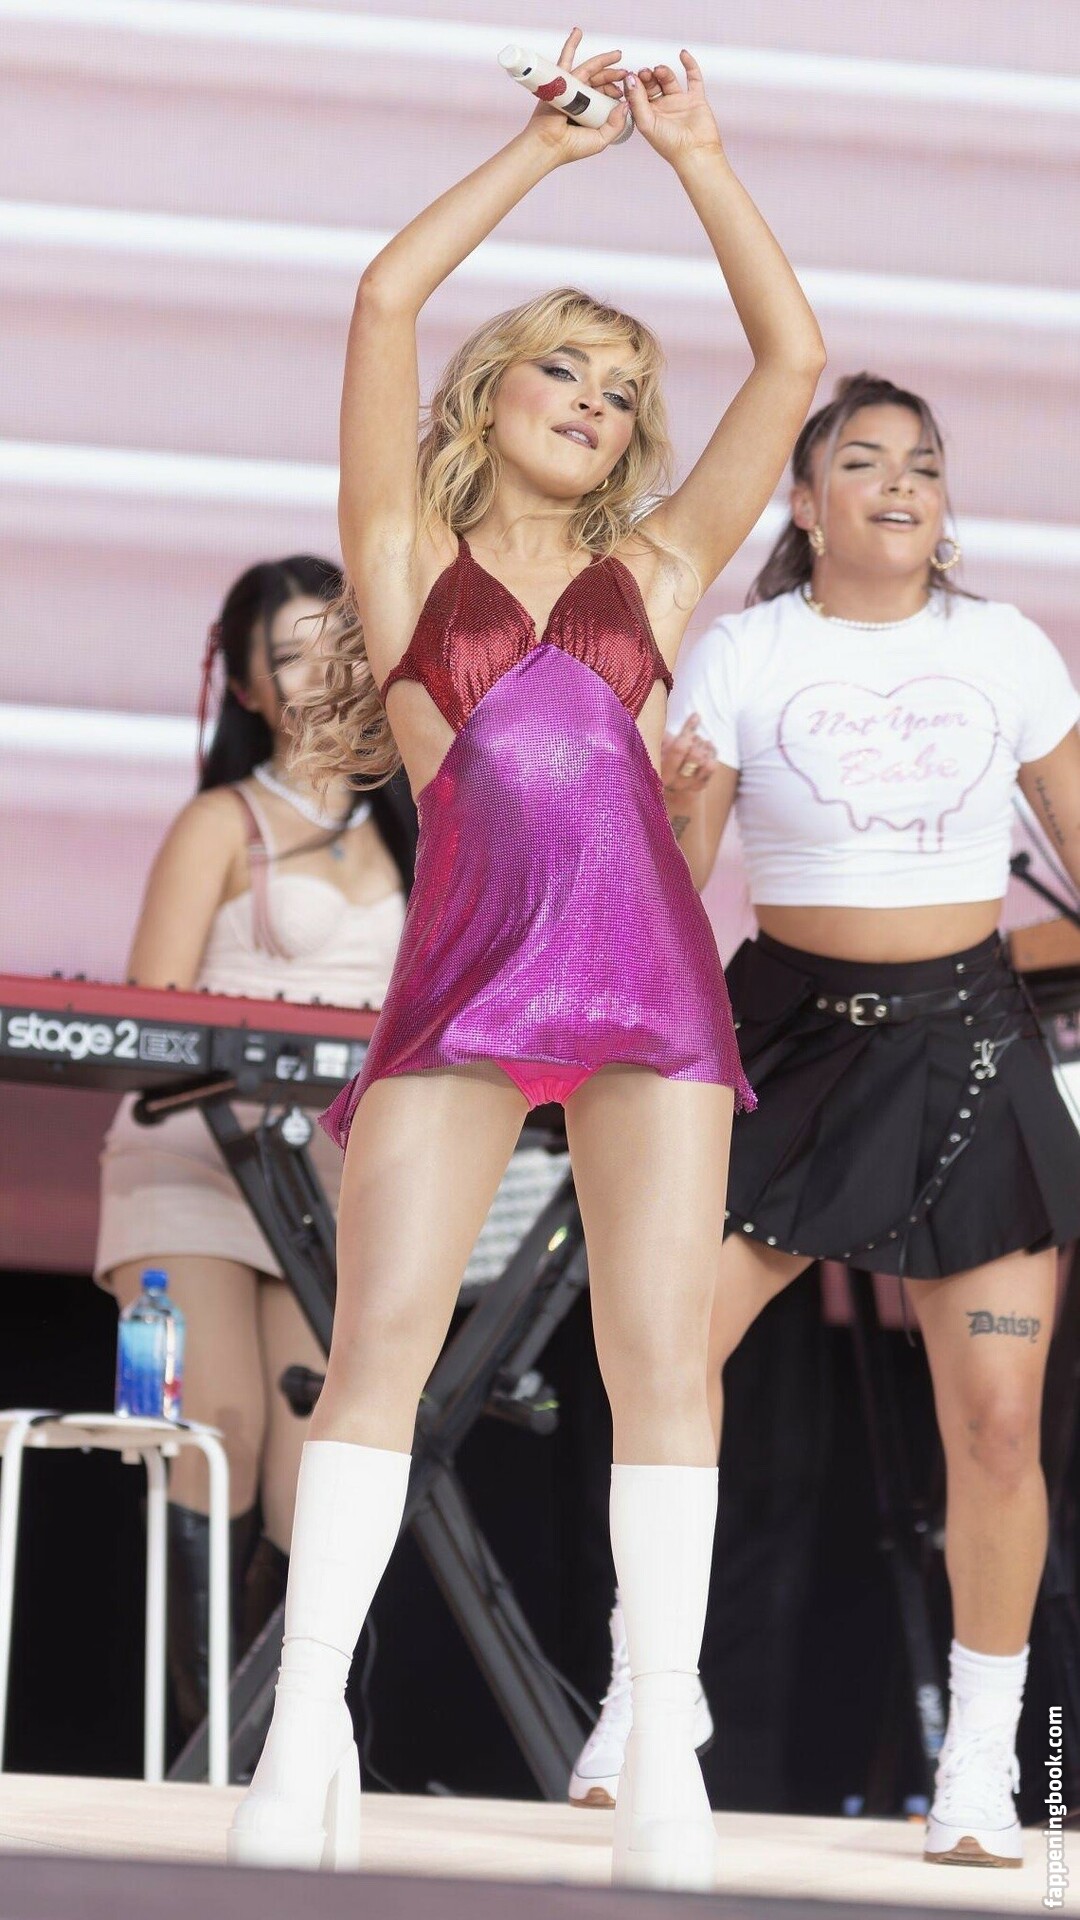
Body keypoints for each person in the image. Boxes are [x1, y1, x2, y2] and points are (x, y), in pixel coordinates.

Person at [227, 32, 825, 1889]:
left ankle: (660, 1750)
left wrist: (699, 155)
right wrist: (550, 156)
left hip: (652, 985)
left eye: (623, 388)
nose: (597, 401)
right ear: (491, 395)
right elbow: (383, 295)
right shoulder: (402, 555)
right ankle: (305, 1730)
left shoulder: (660, 572)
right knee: (384, 1349)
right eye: (565, 366)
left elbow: (791, 363)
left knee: (663, 1365)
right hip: (472, 979)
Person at [573, 370, 1080, 1869]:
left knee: (997, 1423)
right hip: (789, 1041)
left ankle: (979, 1764)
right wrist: (672, 801)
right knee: (666, 1358)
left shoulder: (1006, 648)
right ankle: (648, 1694)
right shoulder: (747, 650)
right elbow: (679, 881)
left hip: (971, 1046)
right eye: (864, 462)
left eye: (923, 462)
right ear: (804, 503)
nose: (903, 483)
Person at [96, 556, 415, 1739]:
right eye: (289, 655)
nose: (322, 675)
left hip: (336, 1175)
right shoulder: (220, 822)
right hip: (195, 1156)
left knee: (316, 1473)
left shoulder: (422, 821)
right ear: (243, 686)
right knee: (216, 1431)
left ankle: (295, 1744)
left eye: (340, 647)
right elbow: (149, 1019)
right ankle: (202, 1759)